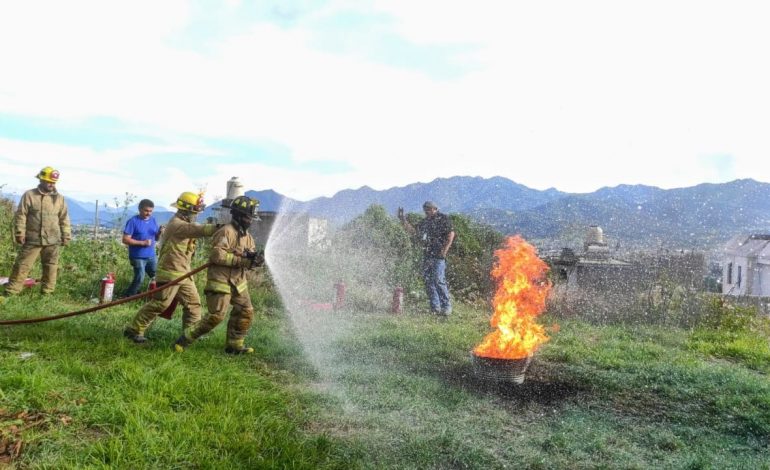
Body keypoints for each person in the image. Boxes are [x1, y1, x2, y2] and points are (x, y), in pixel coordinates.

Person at [173, 195, 264, 354]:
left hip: (239, 282)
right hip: (220, 281)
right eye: (249, 217)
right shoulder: (225, 232)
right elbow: (217, 256)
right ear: (239, 215)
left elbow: (247, 260)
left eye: (251, 218)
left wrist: (255, 261)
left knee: (246, 311)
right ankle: (184, 339)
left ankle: (234, 346)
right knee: (216, 316)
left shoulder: (248, 237)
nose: (251, 221)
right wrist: (241, 260)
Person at [123, 191, 216, 343]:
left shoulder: (184, 223)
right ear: (186, 211)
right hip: (170, 272)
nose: (196, 215)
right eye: (195, 212)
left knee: (193, 304)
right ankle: (133, 330)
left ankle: (190, 334)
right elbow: (199, 230)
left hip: (183, 273)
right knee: (160, 303)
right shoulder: (178, 225)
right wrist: (221, 227)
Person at [3, 166, 71, 296]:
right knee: (22, 266)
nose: (51, 184)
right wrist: (19, 232)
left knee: (51, 267)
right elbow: (21, 215)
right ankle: (11, 292)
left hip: (53, 239)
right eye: (48, 181)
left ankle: (47, 293)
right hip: (32, 238)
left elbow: (64, 218)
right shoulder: (29, 195)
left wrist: (66, 235)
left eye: (53, 182)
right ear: (41, 180)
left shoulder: (59, 199)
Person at [398, 201, 455, 316]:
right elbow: (414, 231)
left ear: (435, 208)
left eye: (429, 209)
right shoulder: (425, 222)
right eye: (425, 210)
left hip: (438, 257)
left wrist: (444, 251)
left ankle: (446, 307)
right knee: (428, 281)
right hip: (427, 255)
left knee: (439, 280)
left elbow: (451, 235)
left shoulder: (443, 219)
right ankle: (435, 307)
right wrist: (403, 220)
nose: (426, 212)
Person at [121, 199, 163, 297]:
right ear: (140, 209)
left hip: (151, 256)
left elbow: (156, 238)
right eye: (146, 211)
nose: (148, 213)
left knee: (157, 276)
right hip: (137, 256)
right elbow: (125, 240)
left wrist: (160, 232)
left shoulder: (153, 220)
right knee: (140, 277)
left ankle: (156, 296)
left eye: (150, 211)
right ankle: (128, 297)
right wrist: (142, 243)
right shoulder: (133, 221)